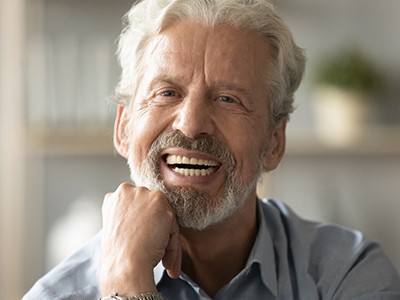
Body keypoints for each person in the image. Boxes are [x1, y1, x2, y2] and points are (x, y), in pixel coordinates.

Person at [24, 0, 400, 299]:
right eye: (167, 93)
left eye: (227, 99)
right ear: (123, 127)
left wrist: (129, 289)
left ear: (275, 142)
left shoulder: (348, 275)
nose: (190, 124)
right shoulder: (57, 296)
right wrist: (125, 277)